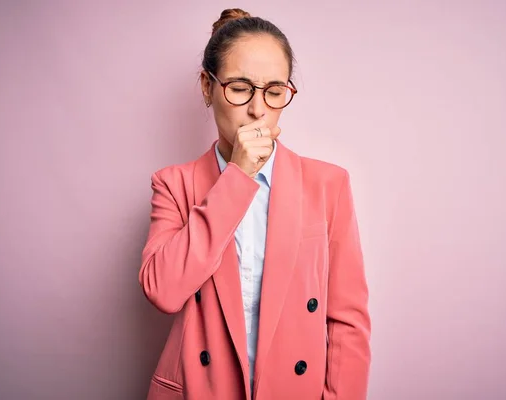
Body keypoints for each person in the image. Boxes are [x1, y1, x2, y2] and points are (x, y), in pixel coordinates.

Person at [139, 8, 371, 400]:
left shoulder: (328, 184)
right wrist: (238, 179)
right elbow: (163, 290)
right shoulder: (174, 184)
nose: (258, 109)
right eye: (241, 88)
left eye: (275, 90)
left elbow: (347, 322)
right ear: (207, 87)